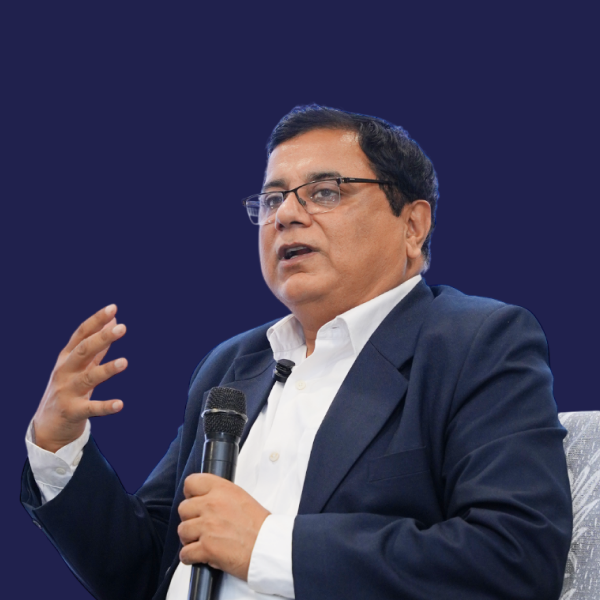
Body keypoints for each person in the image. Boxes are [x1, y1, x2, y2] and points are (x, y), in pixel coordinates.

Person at [21, 105, 573, 600]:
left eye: (325, 192)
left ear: (412, 225)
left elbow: (515, 559)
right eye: (272, 199)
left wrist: (266, 545)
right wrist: (58, 445)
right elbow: (147, 571)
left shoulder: (477, 341)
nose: (285, 214)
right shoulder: (231, 365)